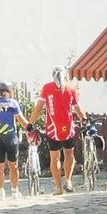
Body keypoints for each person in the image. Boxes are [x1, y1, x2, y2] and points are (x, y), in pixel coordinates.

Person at [30, 65, 85, 195]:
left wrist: (30, 123)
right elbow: (78, 109)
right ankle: (68, 180)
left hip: (52, 128)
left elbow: (38, 108)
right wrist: (85, 120)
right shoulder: (71, 88)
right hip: (68, 128)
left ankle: (58, 188)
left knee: (54, 158)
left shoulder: (47, 88)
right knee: (69, 154)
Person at [0, 82, 26, 198]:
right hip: (11, 137)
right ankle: (14, 191)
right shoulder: (13, 103)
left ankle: (1, 192)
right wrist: (30, 128)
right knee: (14, 166)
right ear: (10, 91)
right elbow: (22, 121)